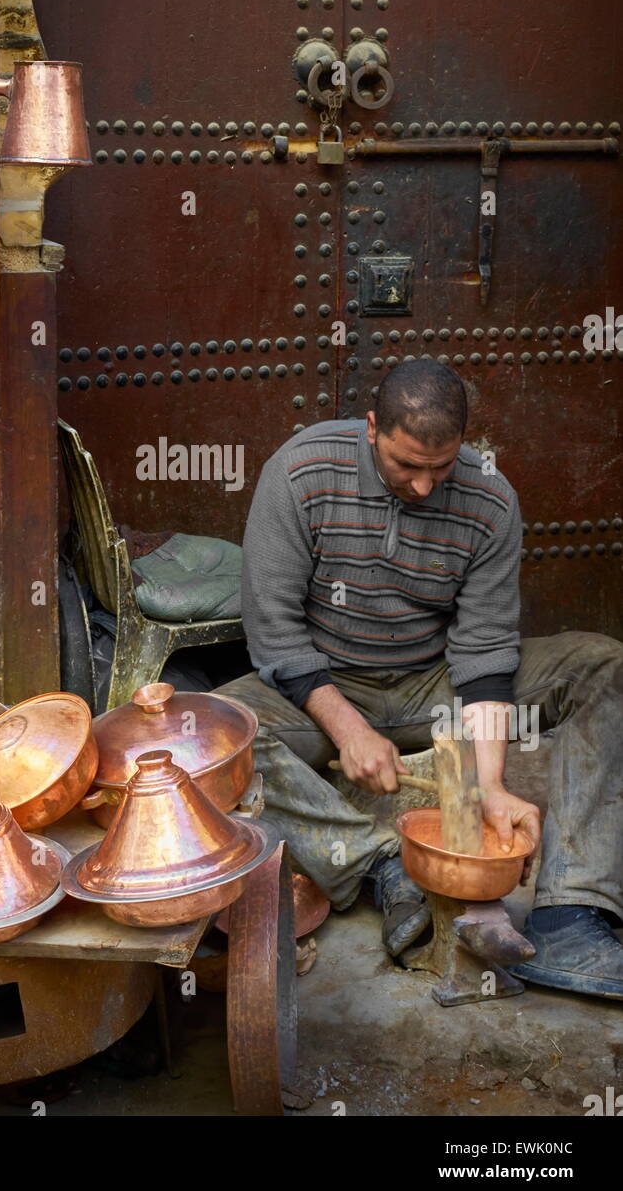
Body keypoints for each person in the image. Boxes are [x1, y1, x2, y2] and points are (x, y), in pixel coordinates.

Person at [214, 362, 623, 998]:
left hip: (433, 686)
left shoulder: (489, 498)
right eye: (408, 465)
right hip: (323, 687)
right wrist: (348, 730)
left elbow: (485, 652)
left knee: (602, 665)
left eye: (442, 466)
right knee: (206, 733)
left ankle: (573, 912)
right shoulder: (300, 473)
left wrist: (488, 785)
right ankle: (383, 865)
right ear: (372, 428)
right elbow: (273, 634)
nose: (427, 486)